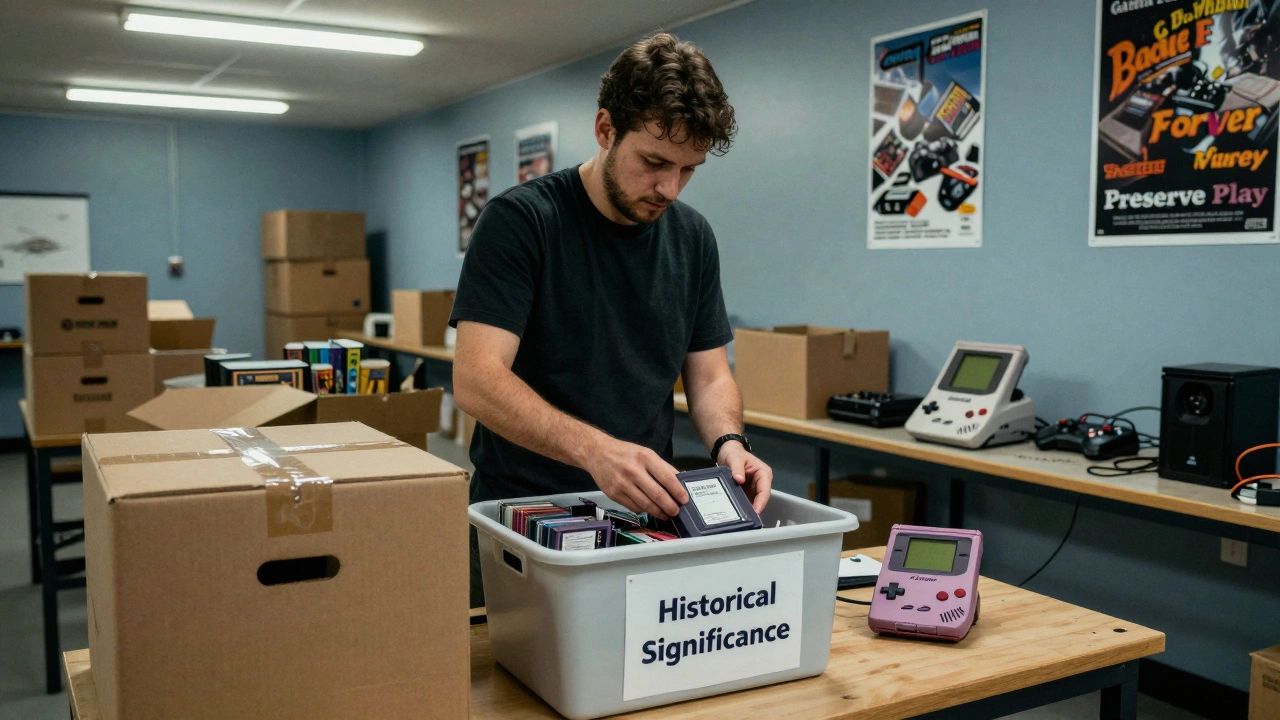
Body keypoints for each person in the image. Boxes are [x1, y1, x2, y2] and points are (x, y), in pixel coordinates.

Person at [451, 32, 773, 607]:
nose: (669, 188)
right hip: (523, 524)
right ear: (605, 130)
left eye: (688, 169)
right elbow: (477, 379)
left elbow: (708, 375)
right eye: (654, 162)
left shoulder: (693, 237)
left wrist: (728, 442)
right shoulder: (521, 222)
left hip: (645, 518)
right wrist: (596, 452)